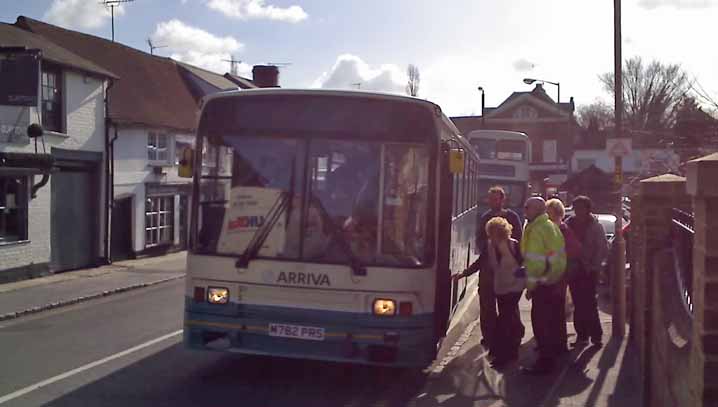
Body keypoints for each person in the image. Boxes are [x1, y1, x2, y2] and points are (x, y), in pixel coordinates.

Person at [454, 186, 522, 360]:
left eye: (495, 199)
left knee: (508, 311)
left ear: (502, 199)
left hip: (509, 280)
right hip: (488, 271)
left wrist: (526, 282)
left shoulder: (512, 219)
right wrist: (464, 273)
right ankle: (491, 338)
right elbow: (481, 247)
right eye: (490, 199)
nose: (491, 202)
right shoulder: (485, 219)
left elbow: (522, 254)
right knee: (487, 307)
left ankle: (511, 340)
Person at [520, 197, 567, 375]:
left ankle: (545, 364)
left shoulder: (537, 229)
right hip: (552, 280)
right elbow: (558, 257)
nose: (525, 210)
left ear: (537, 210)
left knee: (541, 325)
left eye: (527, 207)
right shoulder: (551, 226)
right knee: (550, 323)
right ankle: (550, 359)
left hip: (541, 285)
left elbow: (535, 264)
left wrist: (531, 287)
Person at [566, 196, 608, 348]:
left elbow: (602, 248)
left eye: (582, 208)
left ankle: (596, 336)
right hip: (574, 270)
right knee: (578, 303)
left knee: (589, 303)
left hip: (589, 271)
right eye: (576, 208)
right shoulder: (569, 224)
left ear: (588, 209)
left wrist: (593, 266)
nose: (579, 211)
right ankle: (582, 336)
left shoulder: (596, 226)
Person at [483, 217, 525, 368]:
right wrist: (464, 274)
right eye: (491, 233)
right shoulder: (489, 247)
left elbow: (524, 263)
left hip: (515, 287)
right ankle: (512, 348)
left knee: (504, 320)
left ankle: (503, 355)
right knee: (510, 317)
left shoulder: (513, 245)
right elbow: (481, 263)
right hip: (500, 287)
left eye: (495, 233)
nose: (492, 236)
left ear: (502, 232)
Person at [546, 198, 582, 354]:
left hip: (558, 276)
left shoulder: (563, 230)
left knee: (557, 311)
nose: (548, 218)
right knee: (552, 311)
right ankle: (552, 341)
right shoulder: (553, 229)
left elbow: (575, 250)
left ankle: (558, 344)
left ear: (559, 214)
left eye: (550, 214)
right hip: (552, 275)